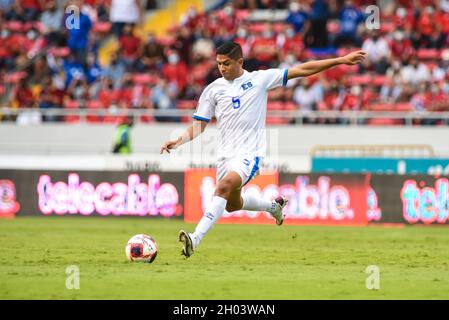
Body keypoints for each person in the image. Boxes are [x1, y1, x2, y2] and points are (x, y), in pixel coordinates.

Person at [160, 42, 366, 258]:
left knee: (223, 187)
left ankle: (195, 238)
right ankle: (273, 208)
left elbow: (302, 70)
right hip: (224, 157)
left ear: (240, 62)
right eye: (219, 64)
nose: (222, 68)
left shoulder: (259, 79)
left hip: (249, 154)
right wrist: (179, 140)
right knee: (232, 204)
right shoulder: (213, 90)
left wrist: (340, 60)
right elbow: (199, 125)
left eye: (226, 63)